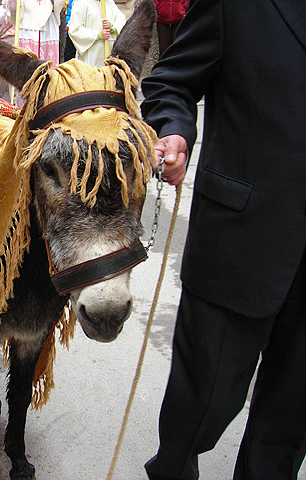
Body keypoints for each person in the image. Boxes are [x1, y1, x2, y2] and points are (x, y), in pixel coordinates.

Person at [140, 0, 306, 479]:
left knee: (287, 423)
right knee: (201, 405)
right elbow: (171, 80)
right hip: (241, 238)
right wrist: (173, 129)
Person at [67, 0, 125, 68]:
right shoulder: (82, 3)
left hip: (109, 53)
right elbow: (75, 30)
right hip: (91, 55)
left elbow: (122, 21)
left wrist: (113, 27)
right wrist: (97, 35)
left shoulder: (109, 2)